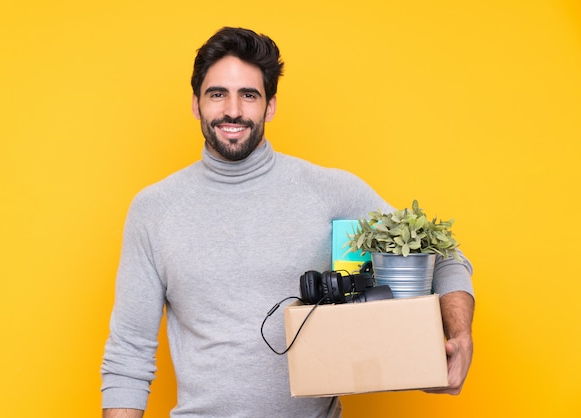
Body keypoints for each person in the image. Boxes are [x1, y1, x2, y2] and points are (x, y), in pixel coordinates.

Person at [101, 27, 475, 418]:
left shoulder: (330, 191)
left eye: (249, 94)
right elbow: (128, 353)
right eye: (217, 94)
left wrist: (460, 336)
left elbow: (445, 258)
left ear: (271, 105)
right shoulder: (154, 209)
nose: (233, 110)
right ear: (196, 104)